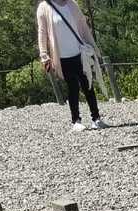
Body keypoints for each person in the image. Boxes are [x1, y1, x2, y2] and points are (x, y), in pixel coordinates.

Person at [36, 0, 106, 131]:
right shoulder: (44, 7)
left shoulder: (72, 4)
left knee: (88, 85)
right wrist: (44, 55)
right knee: (73, 87)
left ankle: (96, 118)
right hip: (62, 56)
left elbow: (83, 26)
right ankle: (76, 120)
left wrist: (92, 46)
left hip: (80, 53)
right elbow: (42, 32)